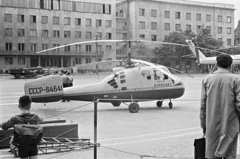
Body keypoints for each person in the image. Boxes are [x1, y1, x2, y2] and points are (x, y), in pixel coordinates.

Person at [200, 54, 240, 159]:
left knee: (212, 153)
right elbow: (239, 104)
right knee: (229, 153)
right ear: (230, 65)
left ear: (217, 64)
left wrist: (203, 124)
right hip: (231, 122)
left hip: (211, 123)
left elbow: (203, 105)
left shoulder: (206, 79)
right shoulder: (236, 80)